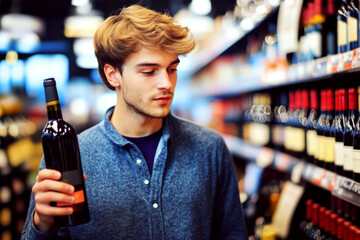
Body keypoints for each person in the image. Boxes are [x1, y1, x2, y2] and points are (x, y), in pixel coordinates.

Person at [21, 4, 247, 240]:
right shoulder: (71, 157)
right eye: (149, 71)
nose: (166, 84)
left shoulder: (209, 148)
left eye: (172, 69)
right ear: (112, 75)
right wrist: (42, 224)